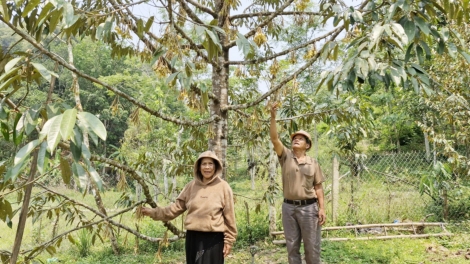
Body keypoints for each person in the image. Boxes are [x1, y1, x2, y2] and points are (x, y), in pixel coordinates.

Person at [141, 150, 237, 264]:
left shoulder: (223, 187)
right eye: (204, 164)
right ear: (199, 167)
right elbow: (175, 209)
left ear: (216, 166)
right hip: (193, 238)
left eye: (210, 164)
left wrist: (229, 241)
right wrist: (153, 212)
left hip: (213, 239)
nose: (207, 167)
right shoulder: (191, 186)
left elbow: (229, 216)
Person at [269, 103, 326, 264]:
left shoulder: (313, 163)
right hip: (289, 208)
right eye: (294, 138)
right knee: (292, 246)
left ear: (307, 145)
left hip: (309, 208)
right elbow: (274, 138)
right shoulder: (285, 156)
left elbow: (319, 188)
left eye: (300, 139)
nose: (296, 140)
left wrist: (322, 208)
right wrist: (273, 117)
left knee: (312, 246)